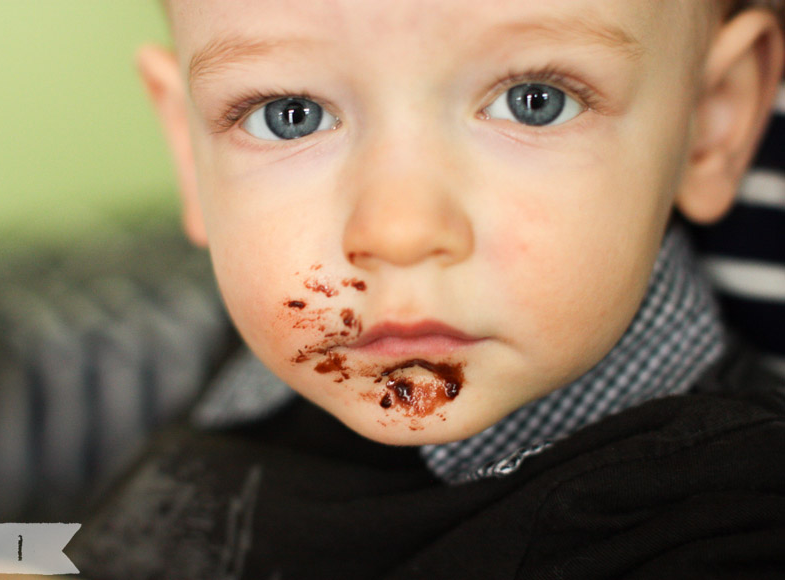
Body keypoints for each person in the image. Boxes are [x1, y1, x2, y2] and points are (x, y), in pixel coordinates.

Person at [66, 1, 785, 578]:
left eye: (534, 102)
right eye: (291, 114)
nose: (399, 231)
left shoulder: (716, 518)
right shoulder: (263, 370)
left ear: (709, 121)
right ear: (191, 149)